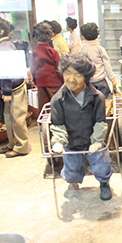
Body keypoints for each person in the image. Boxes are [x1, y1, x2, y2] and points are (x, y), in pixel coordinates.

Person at [50, 53, 113, 201]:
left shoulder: (97, 97)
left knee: (101, 164)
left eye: (77, 75)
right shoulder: (58, 99)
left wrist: (97, 141)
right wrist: (59, 140)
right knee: (71, 169)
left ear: (86, 77)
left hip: (92, 140)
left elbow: (100, 122)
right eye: (67, 73)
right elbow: (58, 124)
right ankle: (72, 182)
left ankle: (104, 183)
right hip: (71, 141)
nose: (71, 79)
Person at [0, 16, 30, 158]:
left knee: (17, 118)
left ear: (1, 31)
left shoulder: (4, 47)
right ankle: (13, 143)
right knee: (9, 118)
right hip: (9, 87)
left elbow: (7, 72)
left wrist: (5, 90)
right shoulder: (1, 45)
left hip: (14, 87)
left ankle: (22, 146)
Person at [30, 22, 63, 115]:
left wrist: (35, 81)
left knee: (44, 109)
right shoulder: (53, 52)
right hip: (54, 83)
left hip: (41, 83)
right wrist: (63, 81)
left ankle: (45, 127)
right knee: (56, 107)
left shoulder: (35, 52)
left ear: (36, 37)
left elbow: (32, 69)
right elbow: (59, 69)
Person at [80, 22, 117, 99]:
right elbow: (107, 64)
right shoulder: (100, 49)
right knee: (106, 101)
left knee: (89, 103)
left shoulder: (81, 49)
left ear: (83, 36)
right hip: (100, 81)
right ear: (97, 35)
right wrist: (112, 79)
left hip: (87, 82)